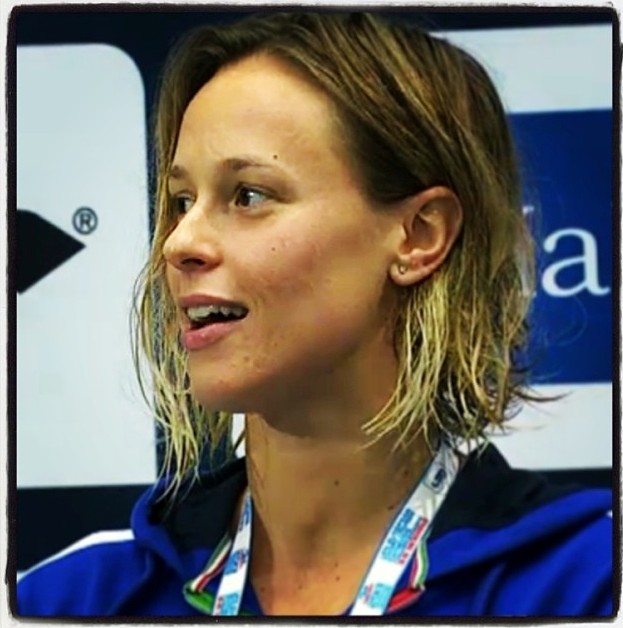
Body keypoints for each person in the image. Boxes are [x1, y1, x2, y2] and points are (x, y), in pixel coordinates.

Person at [17, 12, 613, 617]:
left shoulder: (584, 586)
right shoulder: (75, 601)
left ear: (419, 235)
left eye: (249, 195)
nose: (178, 242)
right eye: (181, 200)